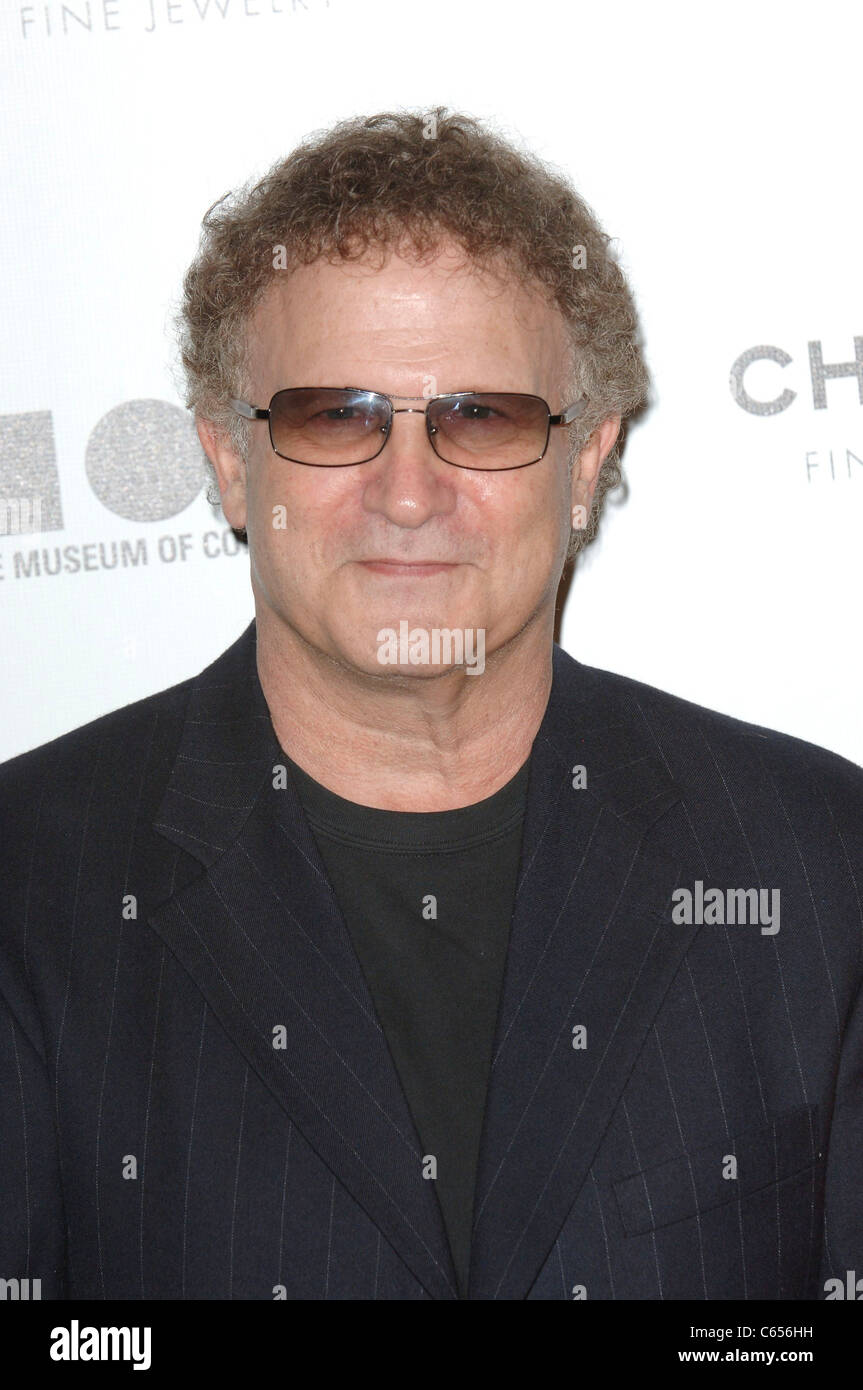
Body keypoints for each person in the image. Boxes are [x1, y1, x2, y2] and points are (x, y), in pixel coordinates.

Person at [1, 109, 860, 1301]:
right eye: (335, 415)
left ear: (588, 460)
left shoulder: (819, 861)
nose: (408, 494)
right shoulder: (31, 880)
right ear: (230, 462)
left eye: (481, 417)